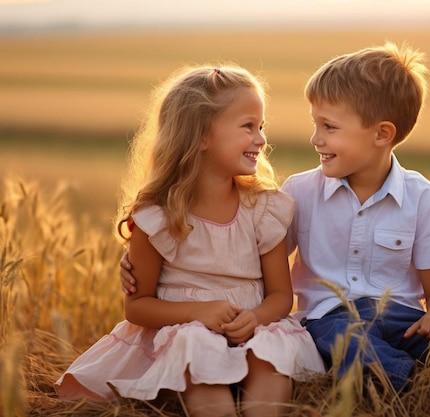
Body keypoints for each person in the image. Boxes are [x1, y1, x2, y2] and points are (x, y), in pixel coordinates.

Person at [120, 43, 430, 415]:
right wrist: (156, 257)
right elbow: (246, 257)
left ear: (381, 134)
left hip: (401, 320)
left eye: (329, 127)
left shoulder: (420, 195)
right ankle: (427, 388)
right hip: (327, 319)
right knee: (346, 339)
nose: (315, 138)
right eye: (315, 124)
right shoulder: (298, 192)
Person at [56, 63, 325, 417]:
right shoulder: (158, 218)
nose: (261, 139)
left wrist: (257, 317)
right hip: (186, 333)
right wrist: (198, 313)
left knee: (271, 354)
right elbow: (137, 307)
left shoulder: (263, 208)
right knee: (195, 346)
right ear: (199, 136)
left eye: (261, 127)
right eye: (247, 126)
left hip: (252, 327)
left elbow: (280, 296)